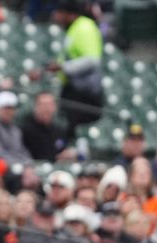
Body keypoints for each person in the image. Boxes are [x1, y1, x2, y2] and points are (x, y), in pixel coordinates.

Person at [49, 0, 104, 134]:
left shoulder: (84, 26)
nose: (56, 17)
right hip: (74, 89)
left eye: (60, 13)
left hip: (84, 92)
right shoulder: (74, 28)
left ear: (70, 14)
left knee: (73, 128)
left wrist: (64, 67)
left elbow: (92, 60)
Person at [19, 92, 74, 162]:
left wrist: (67, 154)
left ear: (55, 107)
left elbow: (62, 149)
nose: (47, 109)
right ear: (36, 107)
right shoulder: (25, 130)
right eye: (43, 105)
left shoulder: (58, 130)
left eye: (50, 105)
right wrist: (55, 158)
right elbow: (29, 155)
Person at [0, 91, 32, 165]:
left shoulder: (15, 129)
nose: (9, 112)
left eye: (11, 109)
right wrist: (18, 163)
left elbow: (21, 150)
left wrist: (28, 162)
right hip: (0, 167)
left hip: (17, 165)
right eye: (5, 108)